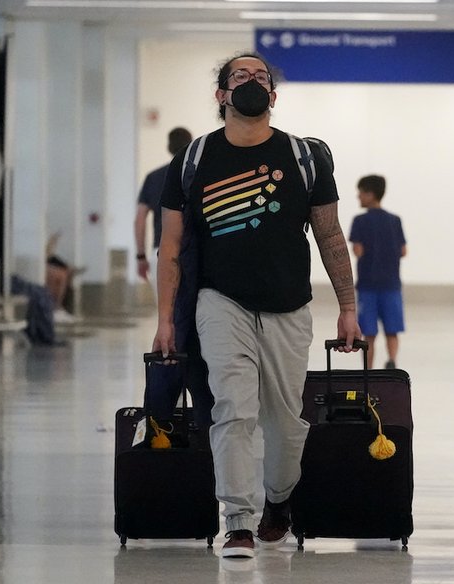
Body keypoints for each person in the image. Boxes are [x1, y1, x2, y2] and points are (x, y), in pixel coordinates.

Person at [153, 52, 361, 560]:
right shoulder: (194, 158)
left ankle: (279, 500)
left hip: (290, 307)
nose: (252, 81)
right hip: (219, 302)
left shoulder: (305, 157)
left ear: (273, 95)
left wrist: (348, 307)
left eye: (261, 76)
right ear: (222, 94)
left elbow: (330, 235)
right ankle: (238, 521)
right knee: (233, 410)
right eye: (240, 76)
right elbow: (171, 247)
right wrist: (164, 319)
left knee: (287, 422)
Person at [349, 174, 406, 369]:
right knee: (392, 329)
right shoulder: (394, 220)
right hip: (391, 284)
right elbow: (403, 251)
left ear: (370, 194)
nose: (358, 197)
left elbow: (357, 250)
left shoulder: (360, 221)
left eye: (361, 193)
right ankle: (392, 361)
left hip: (367, 285)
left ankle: (368, 370)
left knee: (368, 333)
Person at [135, 127, 193, 282]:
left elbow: (140, 219)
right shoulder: (199, 175)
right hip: (193, 250)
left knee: (165, 306)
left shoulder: (153, 178)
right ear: (191, 144)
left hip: (161, 251)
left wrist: (141, 256)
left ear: (169, 147)